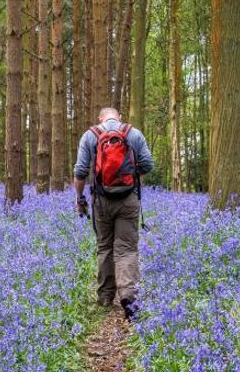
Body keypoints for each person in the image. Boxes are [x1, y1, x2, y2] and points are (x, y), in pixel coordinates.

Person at [73, 107, 154, 321]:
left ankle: (105, 298)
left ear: (100, 118)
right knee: (126, 249)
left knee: (105, 247)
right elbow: (148, 164)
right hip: (128, 199)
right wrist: (129, 173)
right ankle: (128, 296)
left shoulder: (90, 135)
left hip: (101, 201)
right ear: (119, 117)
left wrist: (80, 199)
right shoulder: (133, 133)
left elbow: (80, 171)